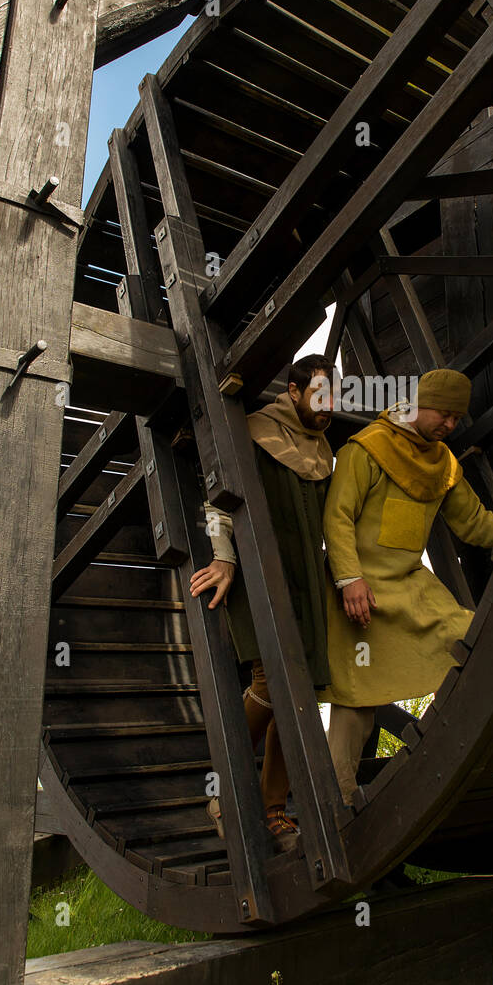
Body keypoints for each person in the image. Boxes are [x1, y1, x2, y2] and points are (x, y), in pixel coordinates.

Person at [322, 368, 493, 804]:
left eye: (457, 419)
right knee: (356, 700)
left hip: (410, 585)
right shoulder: (365, 449)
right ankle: (338, 798)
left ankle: (440, 754)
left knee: (469, 638)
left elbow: (475, 523)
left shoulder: (442, 462)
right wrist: (350, 580)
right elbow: (337, 517)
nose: (450, 425)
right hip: (360, 590)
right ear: (420, 403)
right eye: (444, 414)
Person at [192, 356, 335, 850]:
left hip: (307, 583)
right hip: (257, 573)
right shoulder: (254, 431)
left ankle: (274, 810)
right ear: (293, 392)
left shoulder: (323, 450)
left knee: (299, 692)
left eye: (333, 395)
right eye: (319, 394)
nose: (327, 406)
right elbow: (215, 501)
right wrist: (224, 559)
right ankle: (224, 788)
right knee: (268, 682)